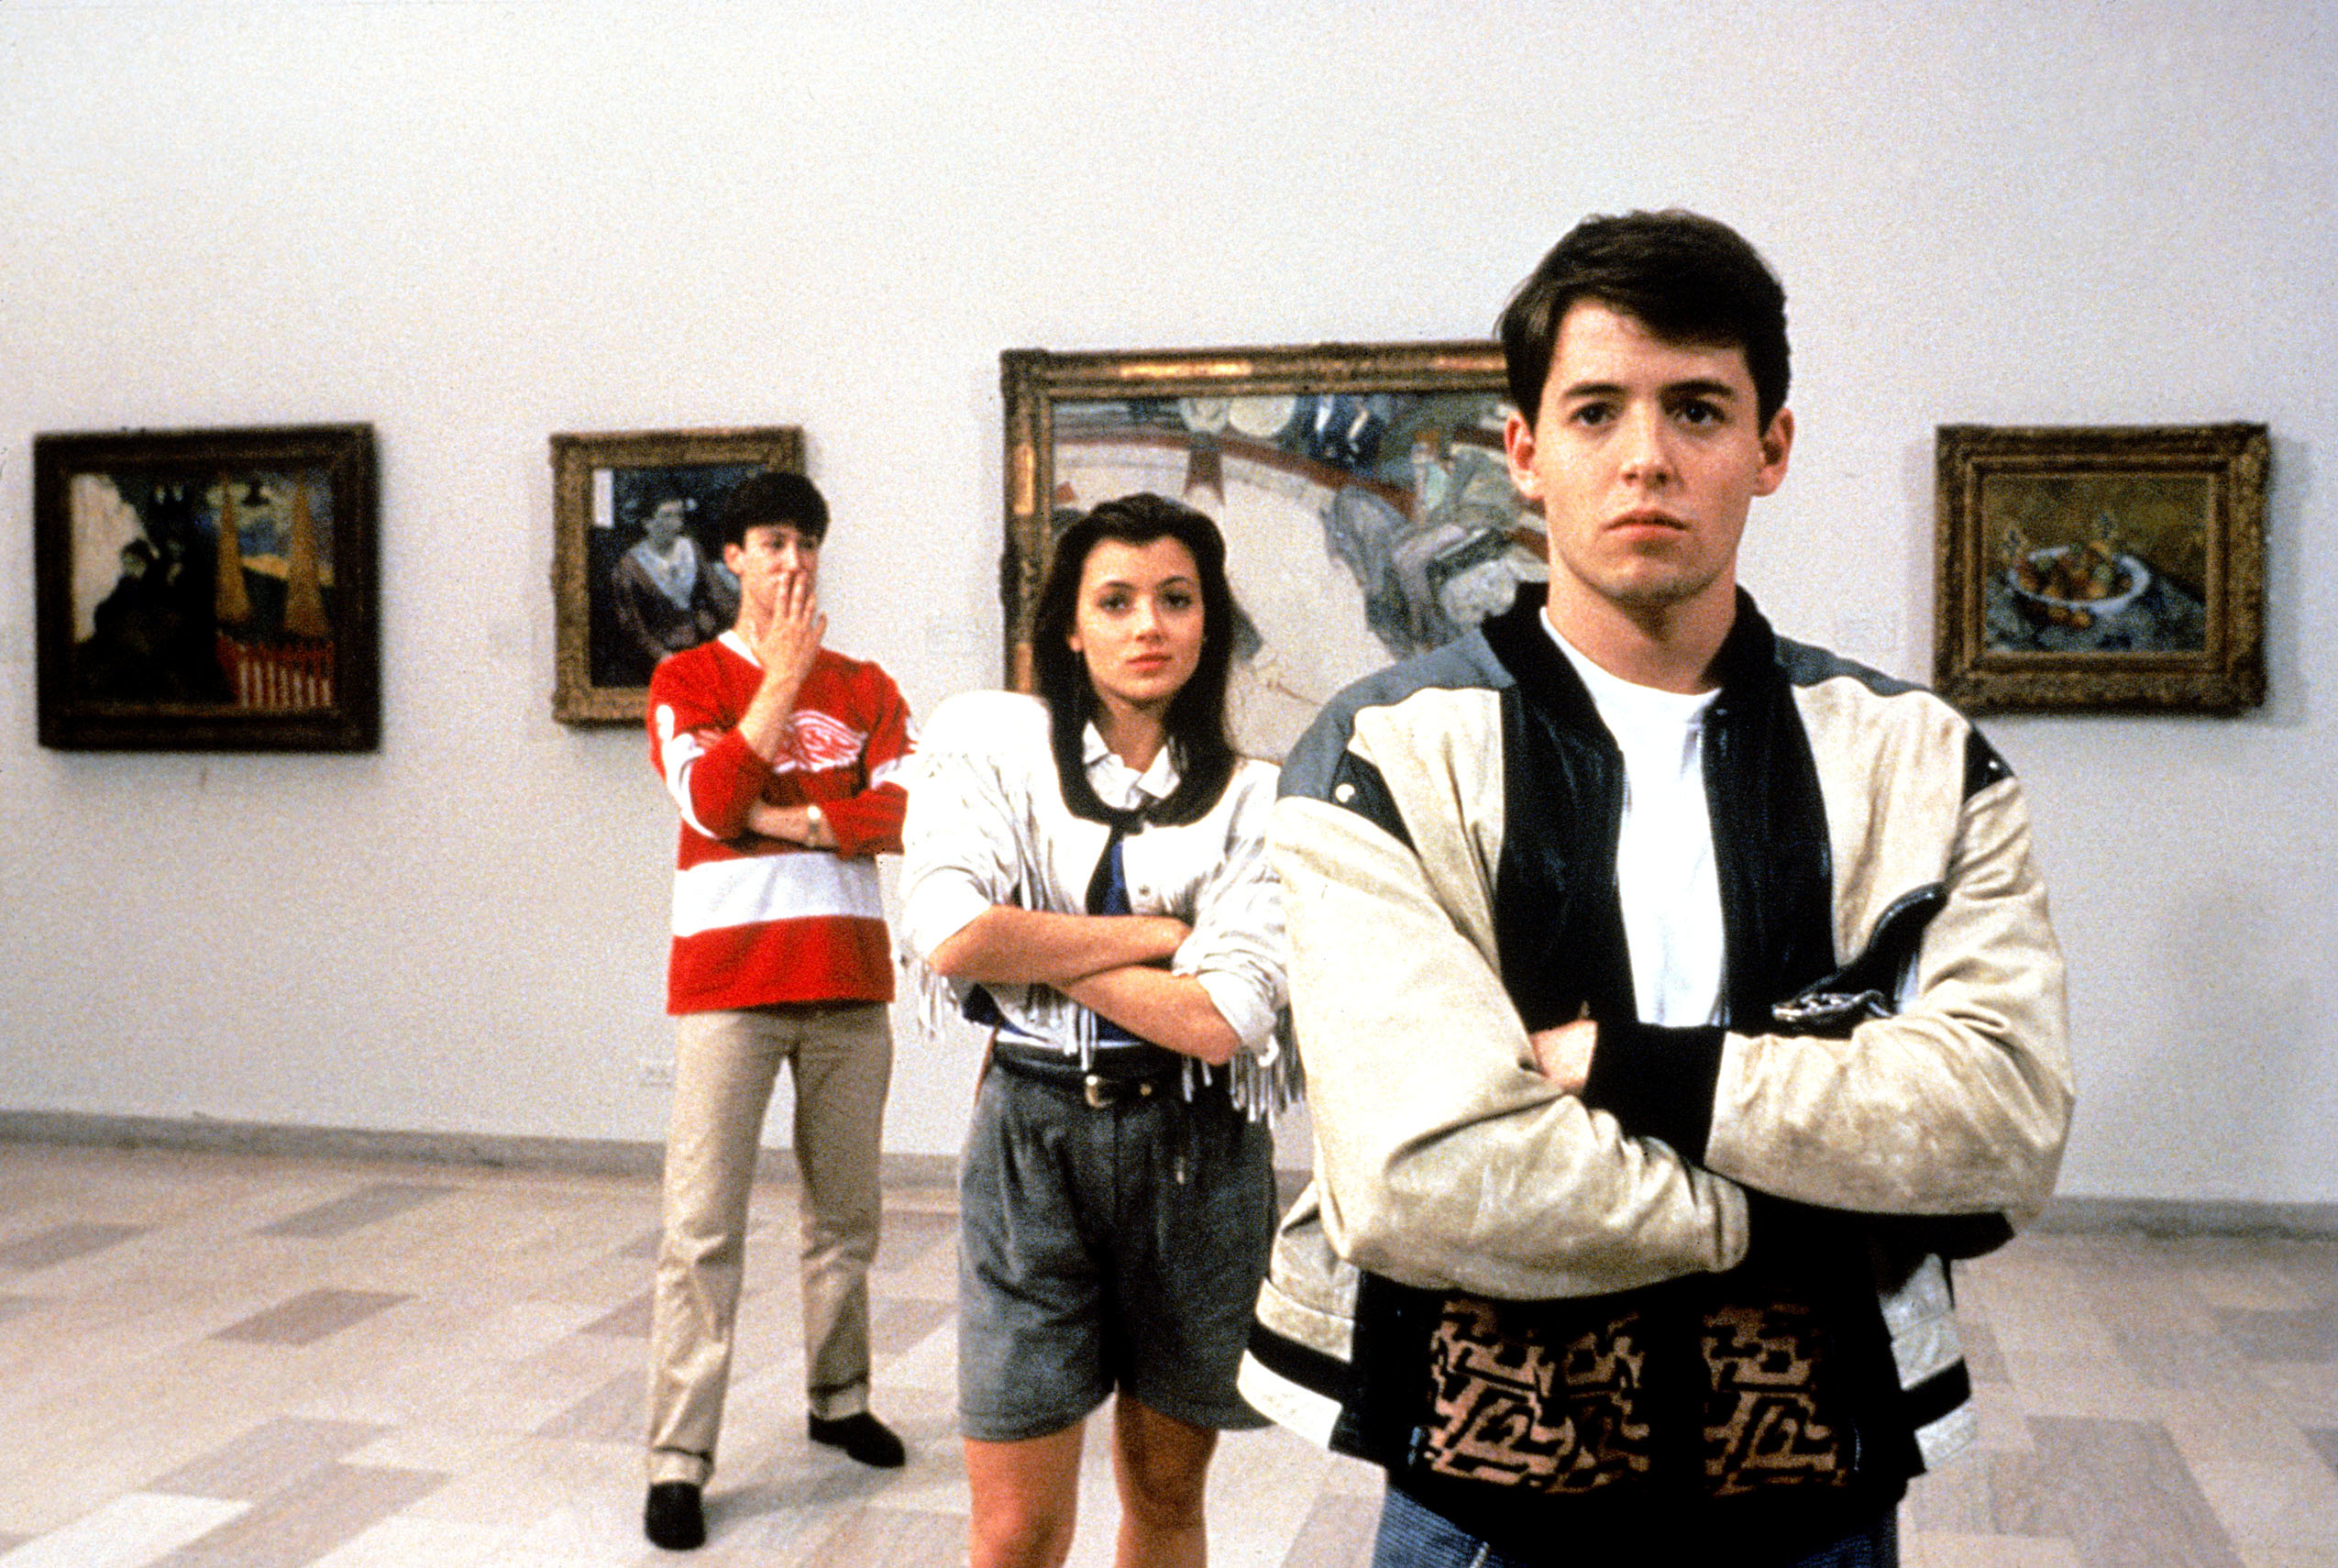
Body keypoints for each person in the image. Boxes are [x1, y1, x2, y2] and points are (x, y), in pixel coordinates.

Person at [1236, 211, 2075, 1566]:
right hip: (1489, 1494)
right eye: (1591, 411)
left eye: (1696, 409)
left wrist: (1626, 1070)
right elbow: (1421, 1178)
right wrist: (1829, 1191)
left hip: (1810, 1488)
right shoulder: (1382, 749)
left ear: (1771, 446)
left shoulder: (1913, 758)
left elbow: (1998, 1124)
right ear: (1522, 451)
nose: (1645, 459)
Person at [900, 493, 1293, 1568]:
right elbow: (952, 934)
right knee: (1016, 1528)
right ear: (1071, 627)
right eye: (1114, 602)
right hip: (1033, 1140)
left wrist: (1043, 948)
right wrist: (1158, 936)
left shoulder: (1258, 798)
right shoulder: (991, 744)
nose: (1147, 626)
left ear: (1208, 622)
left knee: (1166, 1498)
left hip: (1198, 1154)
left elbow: (1222, 1021)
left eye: (1176, 599)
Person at [640, 469, 915, 1552]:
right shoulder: (687, 677)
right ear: (733, 559)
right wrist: (781, 682)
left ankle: (838, 1400)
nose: (792, 559)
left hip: (848, 981)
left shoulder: (869, 686)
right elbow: (708, 804)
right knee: (702, 1230)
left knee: (846, 1216)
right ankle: (677, 1459)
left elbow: (910, 812)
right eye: (770, 540)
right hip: (731, 989)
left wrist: (795, 823)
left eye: (806, 539)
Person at [611, 497, 737, 684]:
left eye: (679, 515)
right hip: (655, 656)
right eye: (667, 516)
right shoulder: (630, 566)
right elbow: (632, 624)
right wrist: (662, 655)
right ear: (647, 523)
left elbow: (718, 594)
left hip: (699, 643)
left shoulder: (690, 548)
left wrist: (744, 625)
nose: (676, 522)